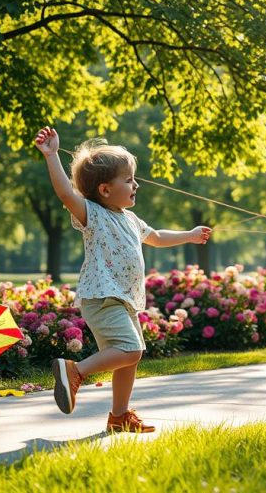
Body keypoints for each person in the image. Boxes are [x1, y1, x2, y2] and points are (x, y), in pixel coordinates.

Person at [34, 126, 211, 432]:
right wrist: (51, 156)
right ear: (105, 189)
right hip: (103, 297)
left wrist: (190, 236)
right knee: (131, 350)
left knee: (128, 358)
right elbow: (65, 192)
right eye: (128, 180)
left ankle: (119, 416)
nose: (135, 185)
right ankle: (75, 371)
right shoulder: (91, 213)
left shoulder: (129, 218)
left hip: (123, 298)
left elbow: (155, 237)